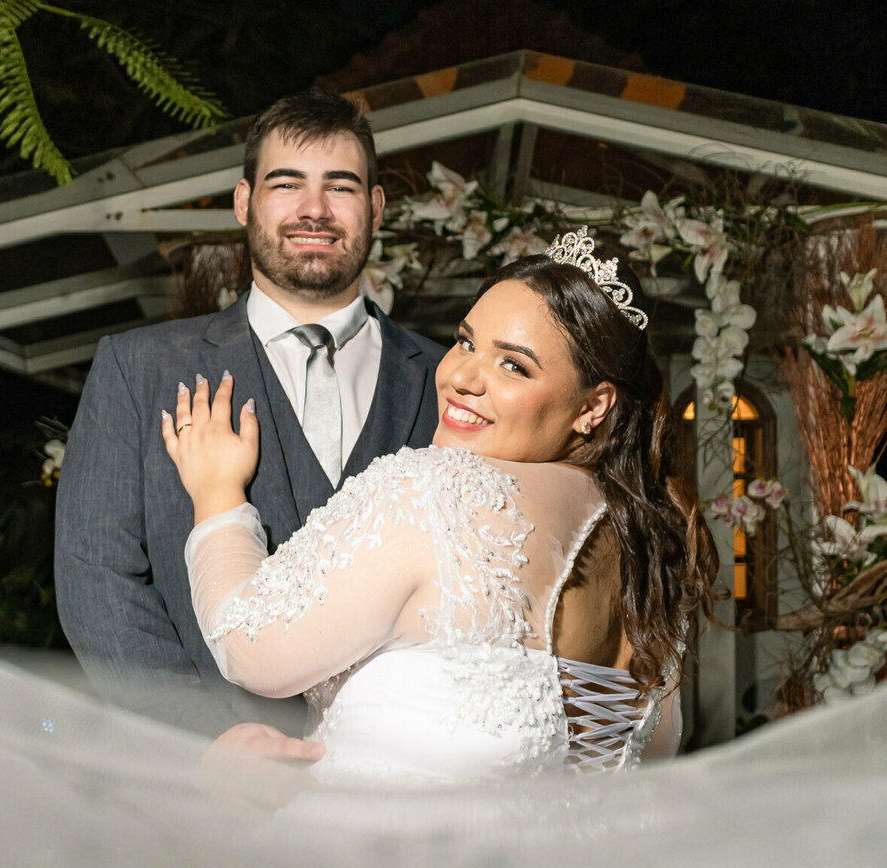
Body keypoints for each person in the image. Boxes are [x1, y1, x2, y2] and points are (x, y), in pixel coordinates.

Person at [166, 228, 719, 780]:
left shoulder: (435, 490)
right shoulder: (653, 544)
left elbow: (248, 648)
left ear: (593, 406)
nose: (459, 377)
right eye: (466, 341)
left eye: (514, 366)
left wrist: (217, 494)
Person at [55, 90, 446, 739]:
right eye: (286, 184)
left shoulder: (450, 384)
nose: (313, 210)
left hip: (401, 784)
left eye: (340, 187)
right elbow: (96, 582)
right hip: (213, 798)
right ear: (244, 202)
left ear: (375, 209)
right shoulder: (140, 369)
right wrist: (205, 743)